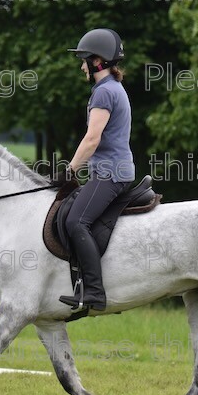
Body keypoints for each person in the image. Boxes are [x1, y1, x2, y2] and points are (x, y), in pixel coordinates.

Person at [54, 28, 136, 311]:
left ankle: (94, 293)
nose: (81, 66)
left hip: (111, 174)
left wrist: (70, 169)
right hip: (114, 170)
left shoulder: (103, 93)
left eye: (84, 60)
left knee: (76, 221)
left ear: (97, 61)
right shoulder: (113, 88)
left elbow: (92, 139)